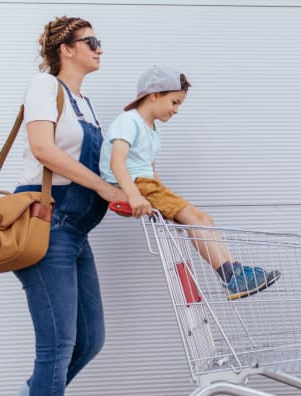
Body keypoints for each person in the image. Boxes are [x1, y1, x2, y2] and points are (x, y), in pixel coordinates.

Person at [13, 16, 127, 396]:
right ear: (67, 49)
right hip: (48, 224)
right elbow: (44, 149)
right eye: (91, 41)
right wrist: (101, 188)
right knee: (57, 346)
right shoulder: (44, 86)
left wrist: (132, 188)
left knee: (90, 340)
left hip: (76, 232)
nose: (99, 49)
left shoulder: (85, 104)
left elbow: (99, 163)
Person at [99, 64, 281, 300]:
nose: (176, 110)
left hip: (147, 184)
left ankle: (235, 268)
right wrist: (133, 195)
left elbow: (150, 168)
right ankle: (230, 277)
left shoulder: (152, 129)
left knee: (204, 219)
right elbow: (117, 162)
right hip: (134, 184)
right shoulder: (128, 121)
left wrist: (164, 196)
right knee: (196, 220)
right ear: (154, 96)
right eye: (175, 102)